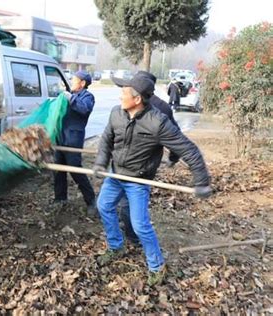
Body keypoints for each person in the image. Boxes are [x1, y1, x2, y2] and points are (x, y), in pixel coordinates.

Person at [92, 73, 212, 286]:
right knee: (104, 206)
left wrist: (201, 182)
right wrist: (101, 162)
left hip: (138, 181)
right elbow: (106, 140)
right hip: (115, 174)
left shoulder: (157, 122)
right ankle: (115, 246)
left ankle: (156, 266)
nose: (120, 96)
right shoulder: (116, 114)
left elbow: (189, 150)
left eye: (124, 92)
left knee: (139, 225)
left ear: (137, 99)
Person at [116, 71, 181, 245]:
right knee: (119, 200)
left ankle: (133, 236)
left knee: (128, 203)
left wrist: (174, 156)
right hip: (123, 162)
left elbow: (174, 136)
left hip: (141, 167)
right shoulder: (128, 104)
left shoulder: (160, 110)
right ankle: (129, 229)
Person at [54, 70, 97, 217]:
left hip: (73, 140)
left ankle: (91, 201)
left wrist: (70, 98)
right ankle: (60, 199)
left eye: (74, 80)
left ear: (82, 83)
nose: (71, 82)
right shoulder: (70, 94)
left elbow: (84, 109)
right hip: (60, 137)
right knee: (58, 170)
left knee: (75, 170)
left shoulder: (87, 97)